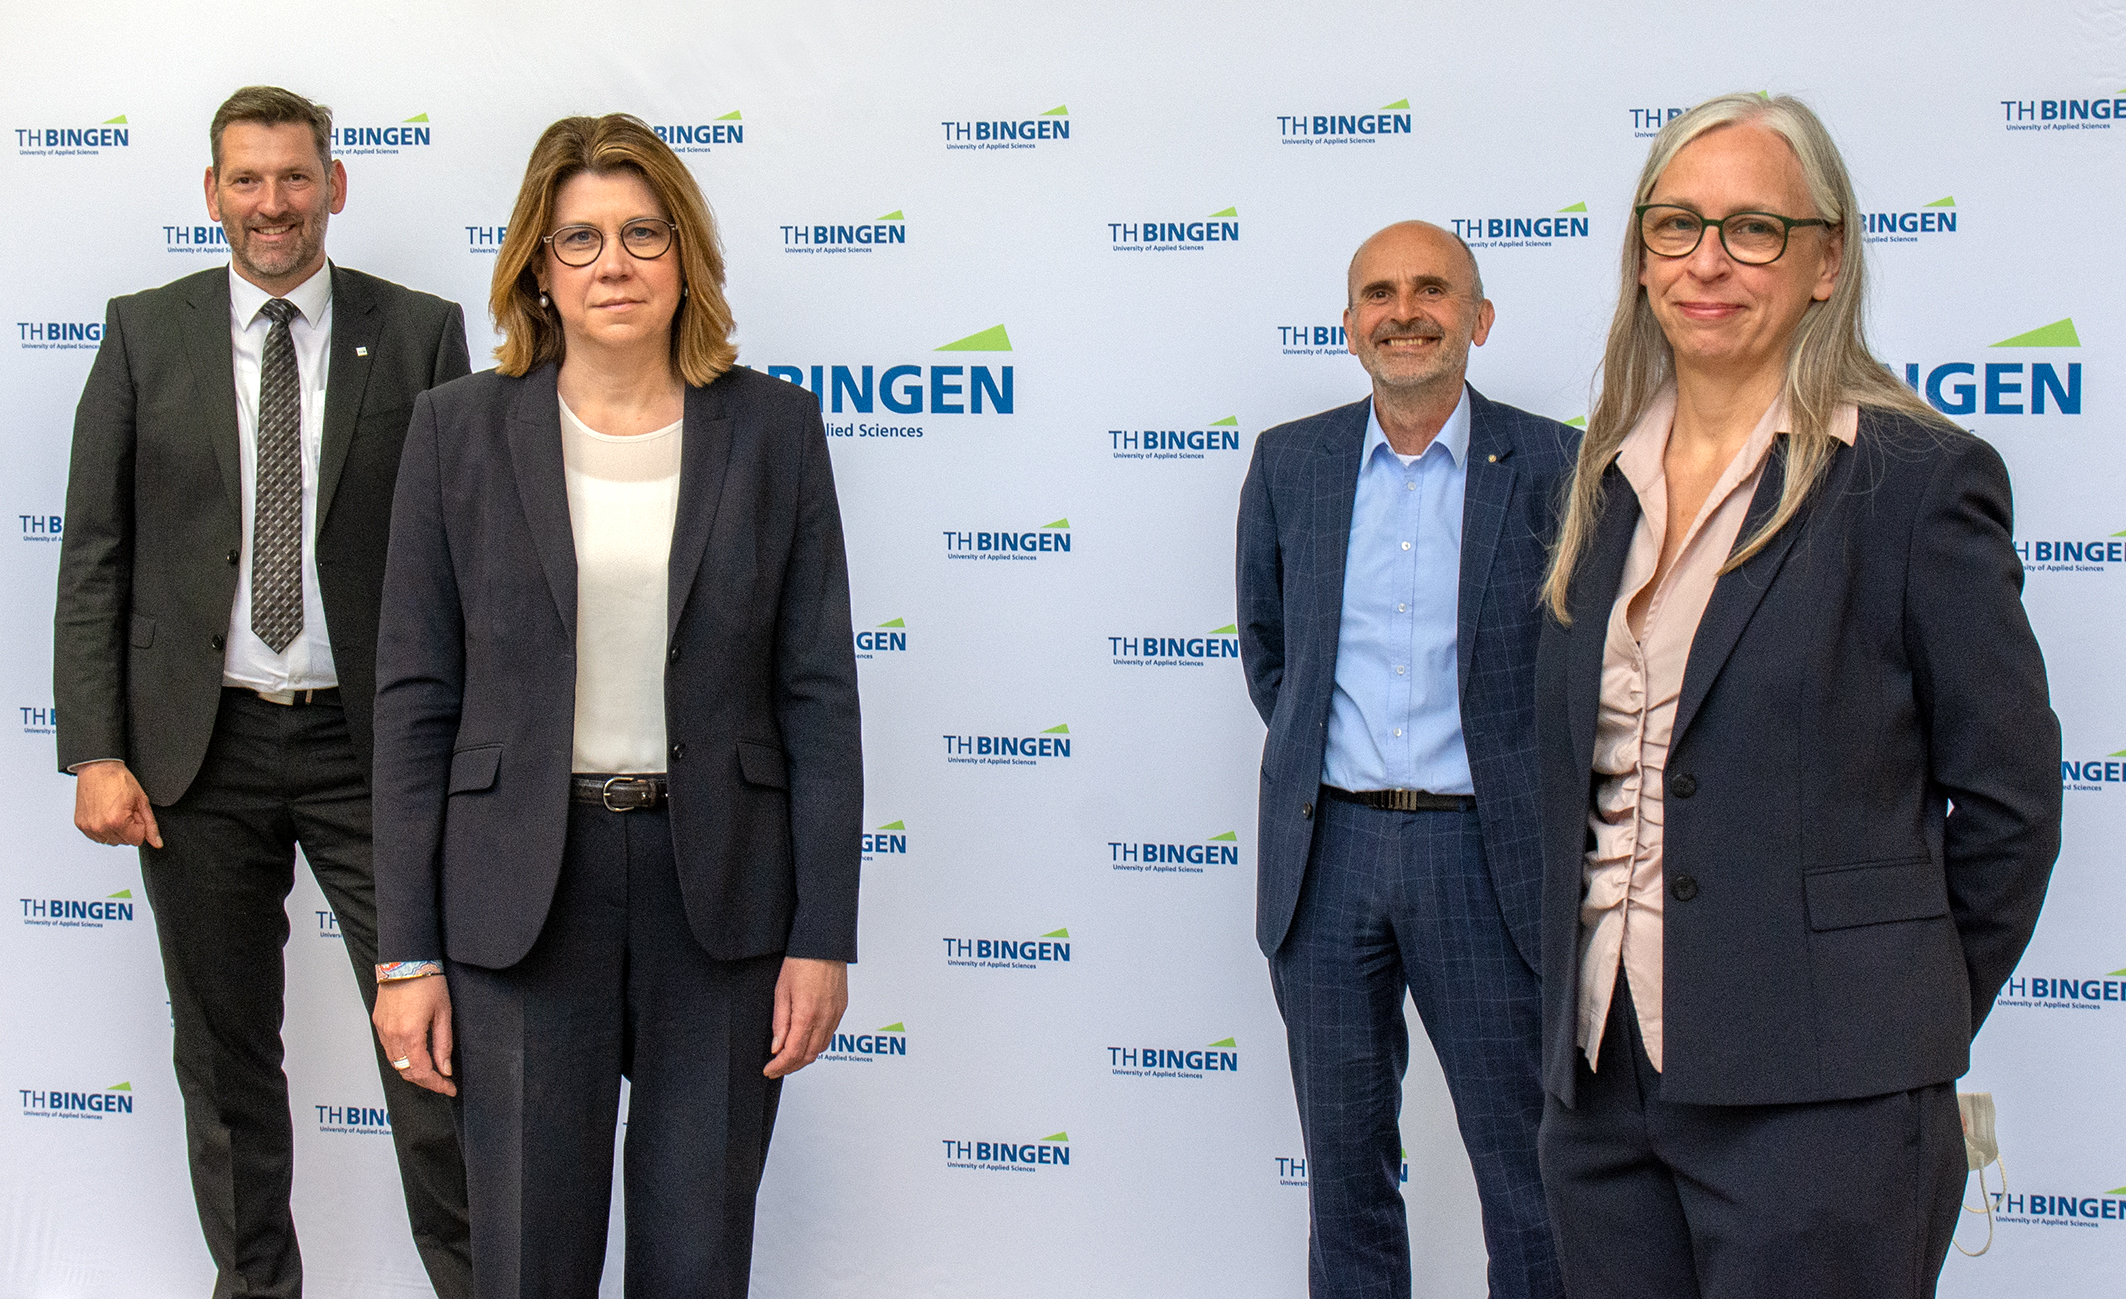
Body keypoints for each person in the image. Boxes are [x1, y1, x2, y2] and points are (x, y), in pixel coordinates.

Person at [1532, 93, 2061, 1298]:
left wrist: (1885, 1025)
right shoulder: (1598, 481)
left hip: (1827, 1104)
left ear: (1825, 262)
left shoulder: (1912, 483)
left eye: (1753, 229)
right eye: (1674, 225)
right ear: (1640, 256)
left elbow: (2010, 805)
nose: (1706, 261)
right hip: (1600, 1092)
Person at [368, 113, 860, 1298]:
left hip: (721, 899)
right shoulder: (455, 431)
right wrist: (405, 954)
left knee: (697, 1257)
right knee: (527, 1260)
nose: (613, 264)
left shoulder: (774, 430)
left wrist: (821, 935)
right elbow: (414, 704)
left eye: (643, 233)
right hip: (521, 899)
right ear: (537, 267)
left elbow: (817, 698)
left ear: (685, 253)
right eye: (579, 238)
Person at [53, 86, 473, 1298]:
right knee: (225, 1062)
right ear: (212, 194)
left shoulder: (420, 333)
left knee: (436, 1048)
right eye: (247, 179)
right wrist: (95, 750)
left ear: (334, 185)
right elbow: (95, 552)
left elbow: (463, 561)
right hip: (197, 755)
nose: (271, 203)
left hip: (372, 751)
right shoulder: (144, 333)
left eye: (294, 177)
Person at [1236, 220, 1574, 1299]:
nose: (1404, 312)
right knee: (1344, 1178)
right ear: (1349, 325)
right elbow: (1271, 654)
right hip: (1327, 854)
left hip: (1487, 858)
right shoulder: (1290, 461)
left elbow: (1582, 668)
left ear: (1479, 319)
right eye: (1378, 293)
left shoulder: (1560, 464)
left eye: (1431, 289)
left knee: (1527, 1173)